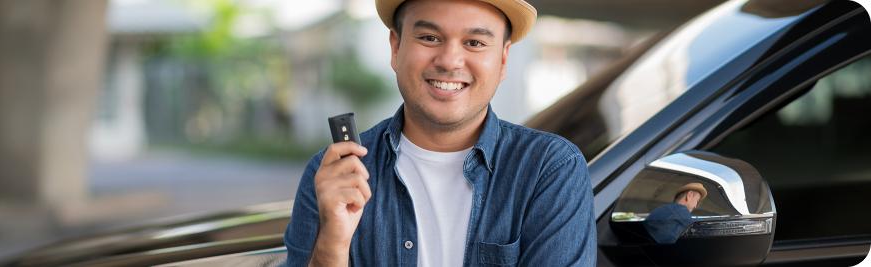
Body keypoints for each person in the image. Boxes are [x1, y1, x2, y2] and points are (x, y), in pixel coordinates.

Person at [283, 0, 596, 265]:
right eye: (430, 38)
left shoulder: (551, 169)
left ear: (502, 60)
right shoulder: (335, 172)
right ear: (395, 47)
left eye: (474, 43)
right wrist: (332, 244)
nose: (449, 61)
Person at [643, 182, 708, 244]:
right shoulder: (679, 210)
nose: (695, 206)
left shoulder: (664, 209)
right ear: (689, 195)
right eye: (697, 200)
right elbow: (699, 230)